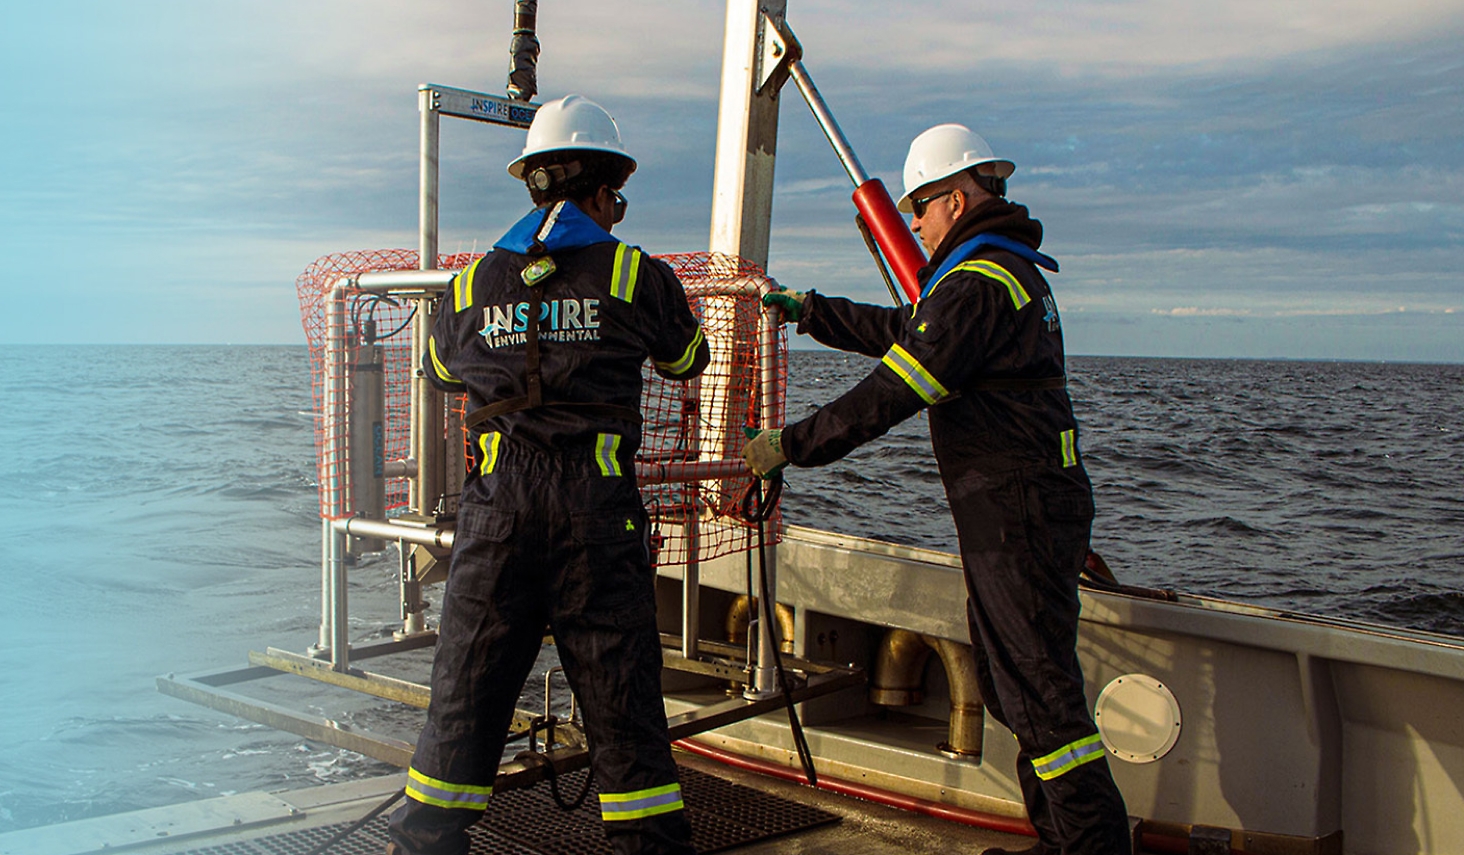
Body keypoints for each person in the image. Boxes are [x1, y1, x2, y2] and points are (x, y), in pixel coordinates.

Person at [742, 123, 1130, 855]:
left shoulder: (978, 282)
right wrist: (814, 311)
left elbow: (894, 388)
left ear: (955, 198)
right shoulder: (997, 272)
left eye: (920, 207)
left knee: (1042, 697)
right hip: (1025, 508)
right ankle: (1060, 839)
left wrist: (786, 445)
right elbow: (908, 326)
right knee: (1017, 681)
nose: (914, 224)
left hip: (1015, 513)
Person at [389, 94, 708, 855]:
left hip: (495, 516)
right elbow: (687, 358)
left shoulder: (469, 286)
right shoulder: (634, 274)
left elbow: (437, 369)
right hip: (594, 515)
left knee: (464, 695)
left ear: (533, 184)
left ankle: (425, 840)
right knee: (624, 706)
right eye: (617, 199)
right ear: (601, 192)